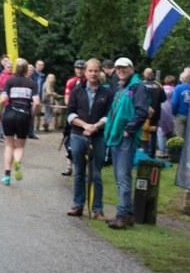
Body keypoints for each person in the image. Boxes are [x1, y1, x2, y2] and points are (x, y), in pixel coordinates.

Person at [104, 57, 149, 229]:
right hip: (117, 136)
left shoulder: (137, 87)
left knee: (123, 177)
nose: (120, 70)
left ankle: (122, 215)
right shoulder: (122, 87)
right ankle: (128, 214)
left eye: (124, 67)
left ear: (132, 68)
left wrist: (129, 129)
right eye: (118, 68)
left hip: (126, 137)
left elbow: (142, 111)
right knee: (119, 176)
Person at [66, 59, 113, 218]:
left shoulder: (107, 93)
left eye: (96, 71)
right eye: (90, 71)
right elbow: (70, 114)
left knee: (96, 174)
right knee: (79, 172)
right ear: (85, 72)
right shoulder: (76, 91)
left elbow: (109, 115)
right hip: (78, 135)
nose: (93, 74)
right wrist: (85, 125)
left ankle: (97, 209)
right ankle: (77, 205)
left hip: (98, 137)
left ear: (100, 72)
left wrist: (96, 126)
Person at [0, 58, 39, 186]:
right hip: (24, 115)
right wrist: (32, 115)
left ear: (15, 68)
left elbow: (2, 99)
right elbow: (37, 103)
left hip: (9, 114)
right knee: (20, 146)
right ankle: (17, 161)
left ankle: (6, 175)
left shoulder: (10, 81)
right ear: (27, 69)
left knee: (9, 145)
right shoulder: (32, 83)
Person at [61, 60, 86, 176]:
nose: (79, 71)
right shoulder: (71, 82)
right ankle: (69, 167)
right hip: (72, 114)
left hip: (84, 115)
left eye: (82, 68)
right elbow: (67, 99)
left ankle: (82, 166)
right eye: (77, 68)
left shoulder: (87, 81)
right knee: (67, 139)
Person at [141, 68, 166, 158]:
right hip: (156, 113)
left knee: (142, 131)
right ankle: (151, 153)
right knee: (153, 133)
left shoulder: (141, 84)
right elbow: (163, 99)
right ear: (152, 74)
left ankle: (144, 152)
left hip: (143, 112)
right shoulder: (158, 85)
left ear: (145, 74)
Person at [171, 67, 190, 138]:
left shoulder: (178, 88)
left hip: (180, 115)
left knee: (179, 138)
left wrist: (174, 113)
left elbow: (174, 103)